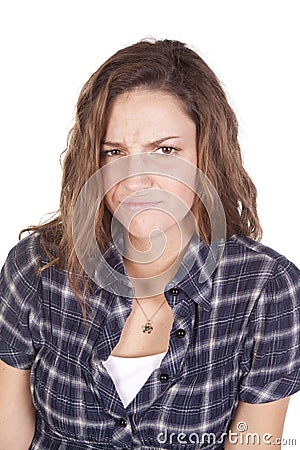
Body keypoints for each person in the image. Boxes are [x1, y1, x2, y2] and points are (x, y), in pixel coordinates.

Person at [0, 39, 299, 450]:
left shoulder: (266, 289)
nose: (137, 180)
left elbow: (255, 443)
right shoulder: (36, 268)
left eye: (165, 150)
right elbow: (8, 433)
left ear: (205, 155)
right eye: (115, 152)